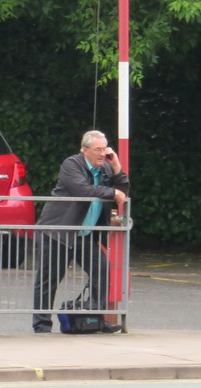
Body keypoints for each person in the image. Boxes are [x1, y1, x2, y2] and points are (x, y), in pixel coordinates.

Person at [32, 130, 129, 333]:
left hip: (83, 236)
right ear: (85, 150)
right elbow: (82, 190)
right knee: (49, 280)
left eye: (105, 149)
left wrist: (117, 167)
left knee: (101, 270)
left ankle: (95, 318)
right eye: (98, 150)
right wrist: (112, 192)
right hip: (58, 232)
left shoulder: (106, 169)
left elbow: (123, 191)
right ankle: (42, 326)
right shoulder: (71, 164)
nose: (102, 154)